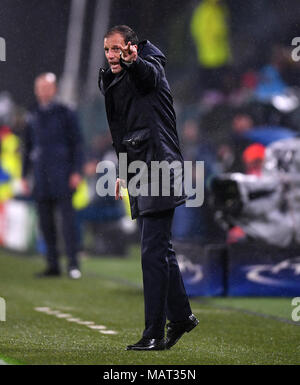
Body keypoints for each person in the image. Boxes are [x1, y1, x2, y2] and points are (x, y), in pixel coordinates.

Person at [98, 25, 199, 351]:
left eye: (118, 49)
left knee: (152, 252)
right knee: (160, 250)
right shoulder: (116, 80)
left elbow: (148, 76)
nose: (113, 55)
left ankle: (153, 332)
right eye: (108, 50)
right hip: (143, 169)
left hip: (159, 167)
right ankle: (181, 317)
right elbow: (125, 131)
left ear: (131, 48)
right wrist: (124, 173)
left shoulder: (147, 68)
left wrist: (133, 61)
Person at [22, 73, 84, 279]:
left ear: (54, 89)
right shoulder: (32, 114)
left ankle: (73, 264)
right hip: (41, 175)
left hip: (62, 174)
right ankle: (52, 264)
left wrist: (76, 171)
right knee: (46, 223)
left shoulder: (65, 112)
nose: (43, 91)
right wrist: (25, 174)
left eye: (46, 87)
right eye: (40, 87)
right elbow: (27, 146)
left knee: (67, 223)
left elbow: (77, 144)